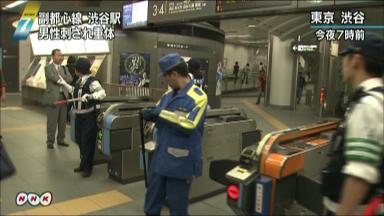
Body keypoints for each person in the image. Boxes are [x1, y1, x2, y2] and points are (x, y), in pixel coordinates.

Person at [321, 32, 384, 215]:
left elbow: (360, 175)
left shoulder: (368, 105)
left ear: (356, 60)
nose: (343, 64)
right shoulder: (377, 99)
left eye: (345, 57)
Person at [142, 52, 208, 215]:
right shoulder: (167, 95)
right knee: (151, 205)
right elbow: (158, 110)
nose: (166, 81)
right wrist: (150, 113)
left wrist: (160, 114)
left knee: (178, 210)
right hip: (160, 158)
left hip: (180, 161)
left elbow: (189, 124)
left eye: (166, 77)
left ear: (174, 74)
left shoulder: (199, 97)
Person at [58, 58, 106, 177]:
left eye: (75, 68)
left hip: (89, 116)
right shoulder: (79, 80)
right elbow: (75, 91)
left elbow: (102, 93)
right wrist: (64, 84)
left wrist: (90, 96)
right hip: (79, 116)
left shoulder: (92, 81)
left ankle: (88, 168)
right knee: (79, 140)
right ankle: (83, 164)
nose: (74, 70)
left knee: (87, 142)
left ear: (79, 70)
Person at [42, 49, 72, 149]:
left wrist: (61, 77)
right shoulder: (48, 68)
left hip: (63, 97)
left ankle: (61, 139)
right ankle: (50, 141)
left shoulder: (64, 68)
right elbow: (54, 78)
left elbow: (70, 79)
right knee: (52, 121)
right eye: (58, 55)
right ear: (53, 57)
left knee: (62, 120)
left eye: (61, 55)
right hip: (53, 98)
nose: (61, 57)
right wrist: (62, 78)